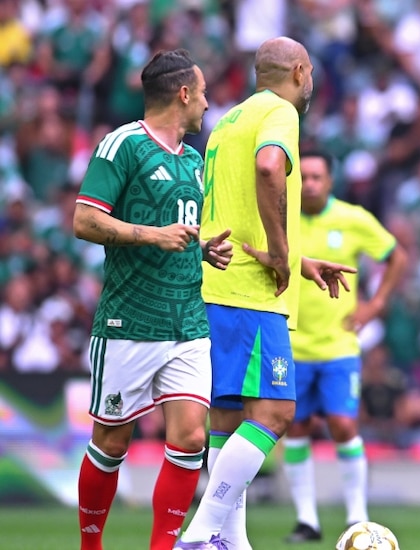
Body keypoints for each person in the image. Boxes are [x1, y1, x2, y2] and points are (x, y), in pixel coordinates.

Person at [174, 37, 355, 550]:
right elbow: (270, 167)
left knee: (228, 423)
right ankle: (201, 533)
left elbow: (232, 211)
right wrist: (280, 253)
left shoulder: (226, 123)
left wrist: (296, 260)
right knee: (275, 414)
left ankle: (232, 541)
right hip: (251, 296)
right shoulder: (280, 114)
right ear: (299, 72)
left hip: (215, 287)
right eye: (312, 73)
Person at [72, 49, 233, 550]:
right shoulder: (122, 144)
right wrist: (151, 235)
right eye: (203, 93)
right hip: (129, 321)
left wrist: (200, 247)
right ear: (183, 94)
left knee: (190, 440)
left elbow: (177, 231)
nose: (207, 104)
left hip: (187, 322)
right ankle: (91, 546)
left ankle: (163, 547)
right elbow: (84, 221)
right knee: (112, 444)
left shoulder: (192, 159)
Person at [282, 149, 409, 543]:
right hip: (291, 345)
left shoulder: (352, 219)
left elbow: (396, 257)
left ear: (330, 181)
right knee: (296, 428)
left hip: (338, 346)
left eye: (317, 176)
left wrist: (376, 305)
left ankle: (358, 516)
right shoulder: (281, 218)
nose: (310, 184)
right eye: (303, 176)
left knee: (343, 424)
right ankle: (307, 520)